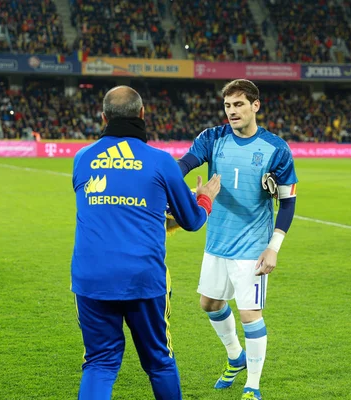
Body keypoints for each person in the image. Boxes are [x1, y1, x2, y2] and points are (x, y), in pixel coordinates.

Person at [70, 85, 222, 400]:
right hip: (143, 279)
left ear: (103, 117)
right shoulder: (160, 161)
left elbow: (111, 210)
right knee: (158, 361)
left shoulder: (82, 159)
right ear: (142, 114)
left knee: (99, 363)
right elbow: (192, 220)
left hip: (91, 277)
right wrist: (204, 198)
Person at [176, 79, 298, 400]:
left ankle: (252, 386)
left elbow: (287, 202)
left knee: (249, 314)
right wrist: (170, 181)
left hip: (253, 245)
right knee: (210, 303)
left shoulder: (276, 149)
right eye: (228, 106)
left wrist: (273, 248)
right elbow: (186, 163)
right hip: (217, 239)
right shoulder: (212, 137)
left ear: (255, 105)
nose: (232, 111)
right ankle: (235, 357)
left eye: (239, 104)